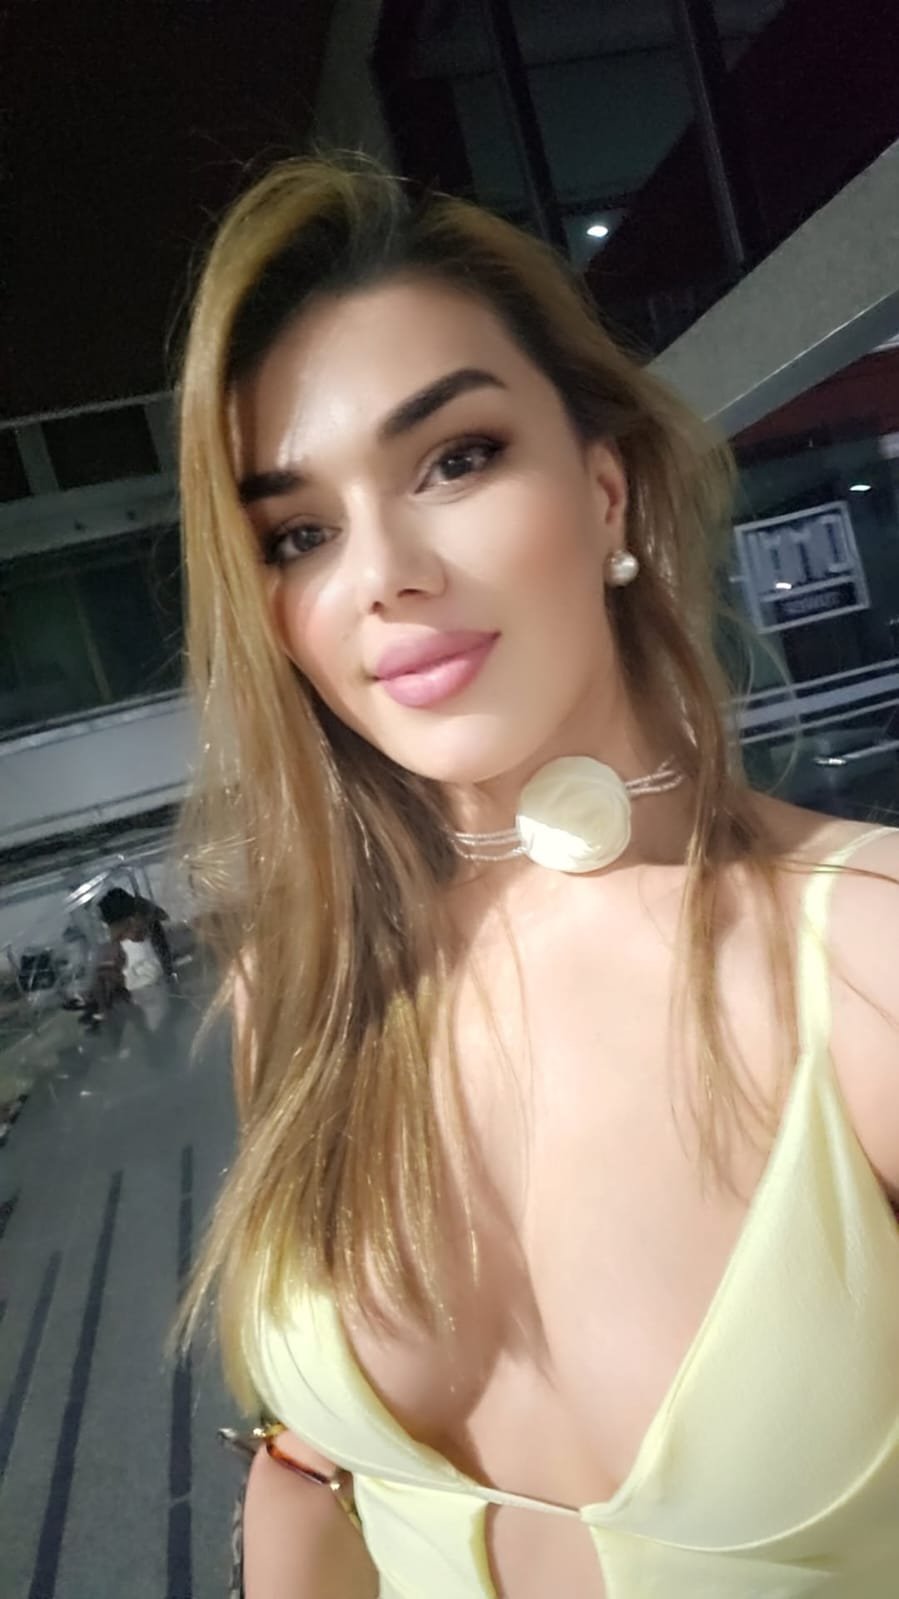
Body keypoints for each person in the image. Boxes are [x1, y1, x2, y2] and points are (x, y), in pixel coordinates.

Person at [176, 153, 899, 1598]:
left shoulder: (866, 963)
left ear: (608, 492)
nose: (384, 572)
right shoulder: (306, 996)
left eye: (456, 459)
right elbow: (309, 1470)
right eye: (300, 533)